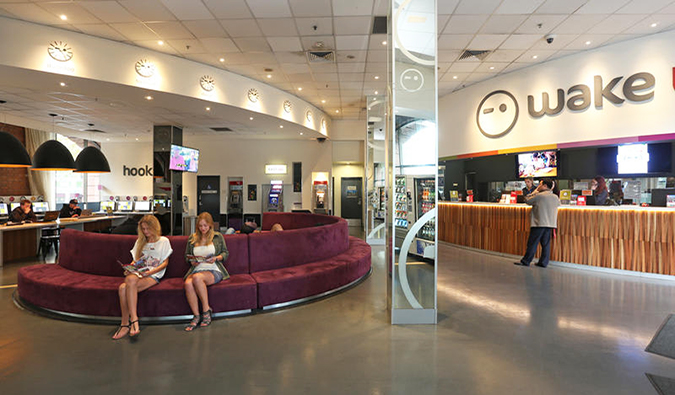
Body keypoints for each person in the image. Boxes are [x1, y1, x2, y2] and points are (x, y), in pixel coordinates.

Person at [112, 215, 172, 340]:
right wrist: (130, 268)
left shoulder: (163, 241)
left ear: (155, 228)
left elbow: (165, 263)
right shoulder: (140, 241)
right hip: (139, 274)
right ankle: (126, 323)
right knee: (124, 286)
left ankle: (131, 321)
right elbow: (135, 261)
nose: (145, 232)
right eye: (143, 229)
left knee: (126, 286)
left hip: (152, 275)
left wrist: (149, 273)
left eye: (148, 229)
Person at [183, 212, 229, 332]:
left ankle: (206, 310)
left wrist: (216, 258)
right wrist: (191, 261)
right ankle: (196, 315)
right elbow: (187, 256)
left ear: (210, 225)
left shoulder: (217, 237)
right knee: (188, 283)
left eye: (205, 226)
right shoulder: (192, 238)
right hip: (197, 268)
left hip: (213, 269)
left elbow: (225, 253)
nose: (203, 228)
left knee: (197, 278)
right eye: (200, 226)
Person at [514, 179, 560, 268]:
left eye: (540, 184)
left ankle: (526, 261)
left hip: (539, 223)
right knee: (545, 244)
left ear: (545, 186)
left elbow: (527, 199)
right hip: (550, 224)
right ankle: (543, 262)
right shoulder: (555, 197)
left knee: (532, 243)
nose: (539, 186)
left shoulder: (539, 196)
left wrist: (535, 190)